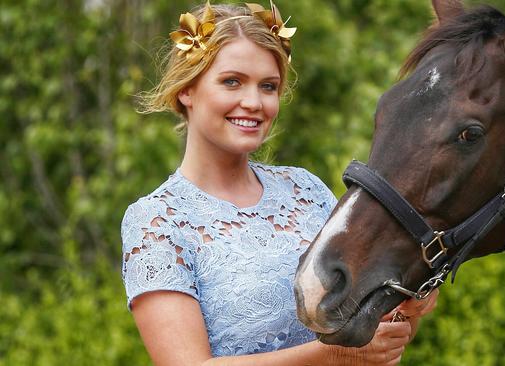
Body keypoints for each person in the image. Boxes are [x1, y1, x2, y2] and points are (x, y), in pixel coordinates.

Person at [120, 1, 439, 365]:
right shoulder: (157, 221)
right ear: (187, 90)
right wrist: (336, 354)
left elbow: (373, 339)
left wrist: (405, 310)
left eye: (268, 86)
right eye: (232, 82)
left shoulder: (307, 191)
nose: (254, 102)